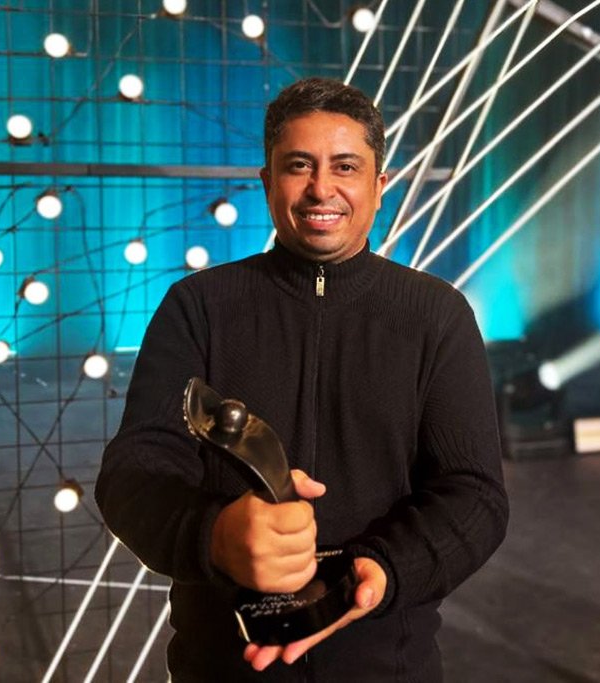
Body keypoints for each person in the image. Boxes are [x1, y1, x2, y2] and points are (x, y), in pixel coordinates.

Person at [95, 77, 509, 681]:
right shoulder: (198, 307)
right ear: (268, 183)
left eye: (345, 166)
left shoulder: (436, 315)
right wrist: (216, 535)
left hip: (390, 668)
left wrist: (382, 570)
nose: (321, 188)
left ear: (379, 186)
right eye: (298, 166)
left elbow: (475, 495)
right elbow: (134, 474)